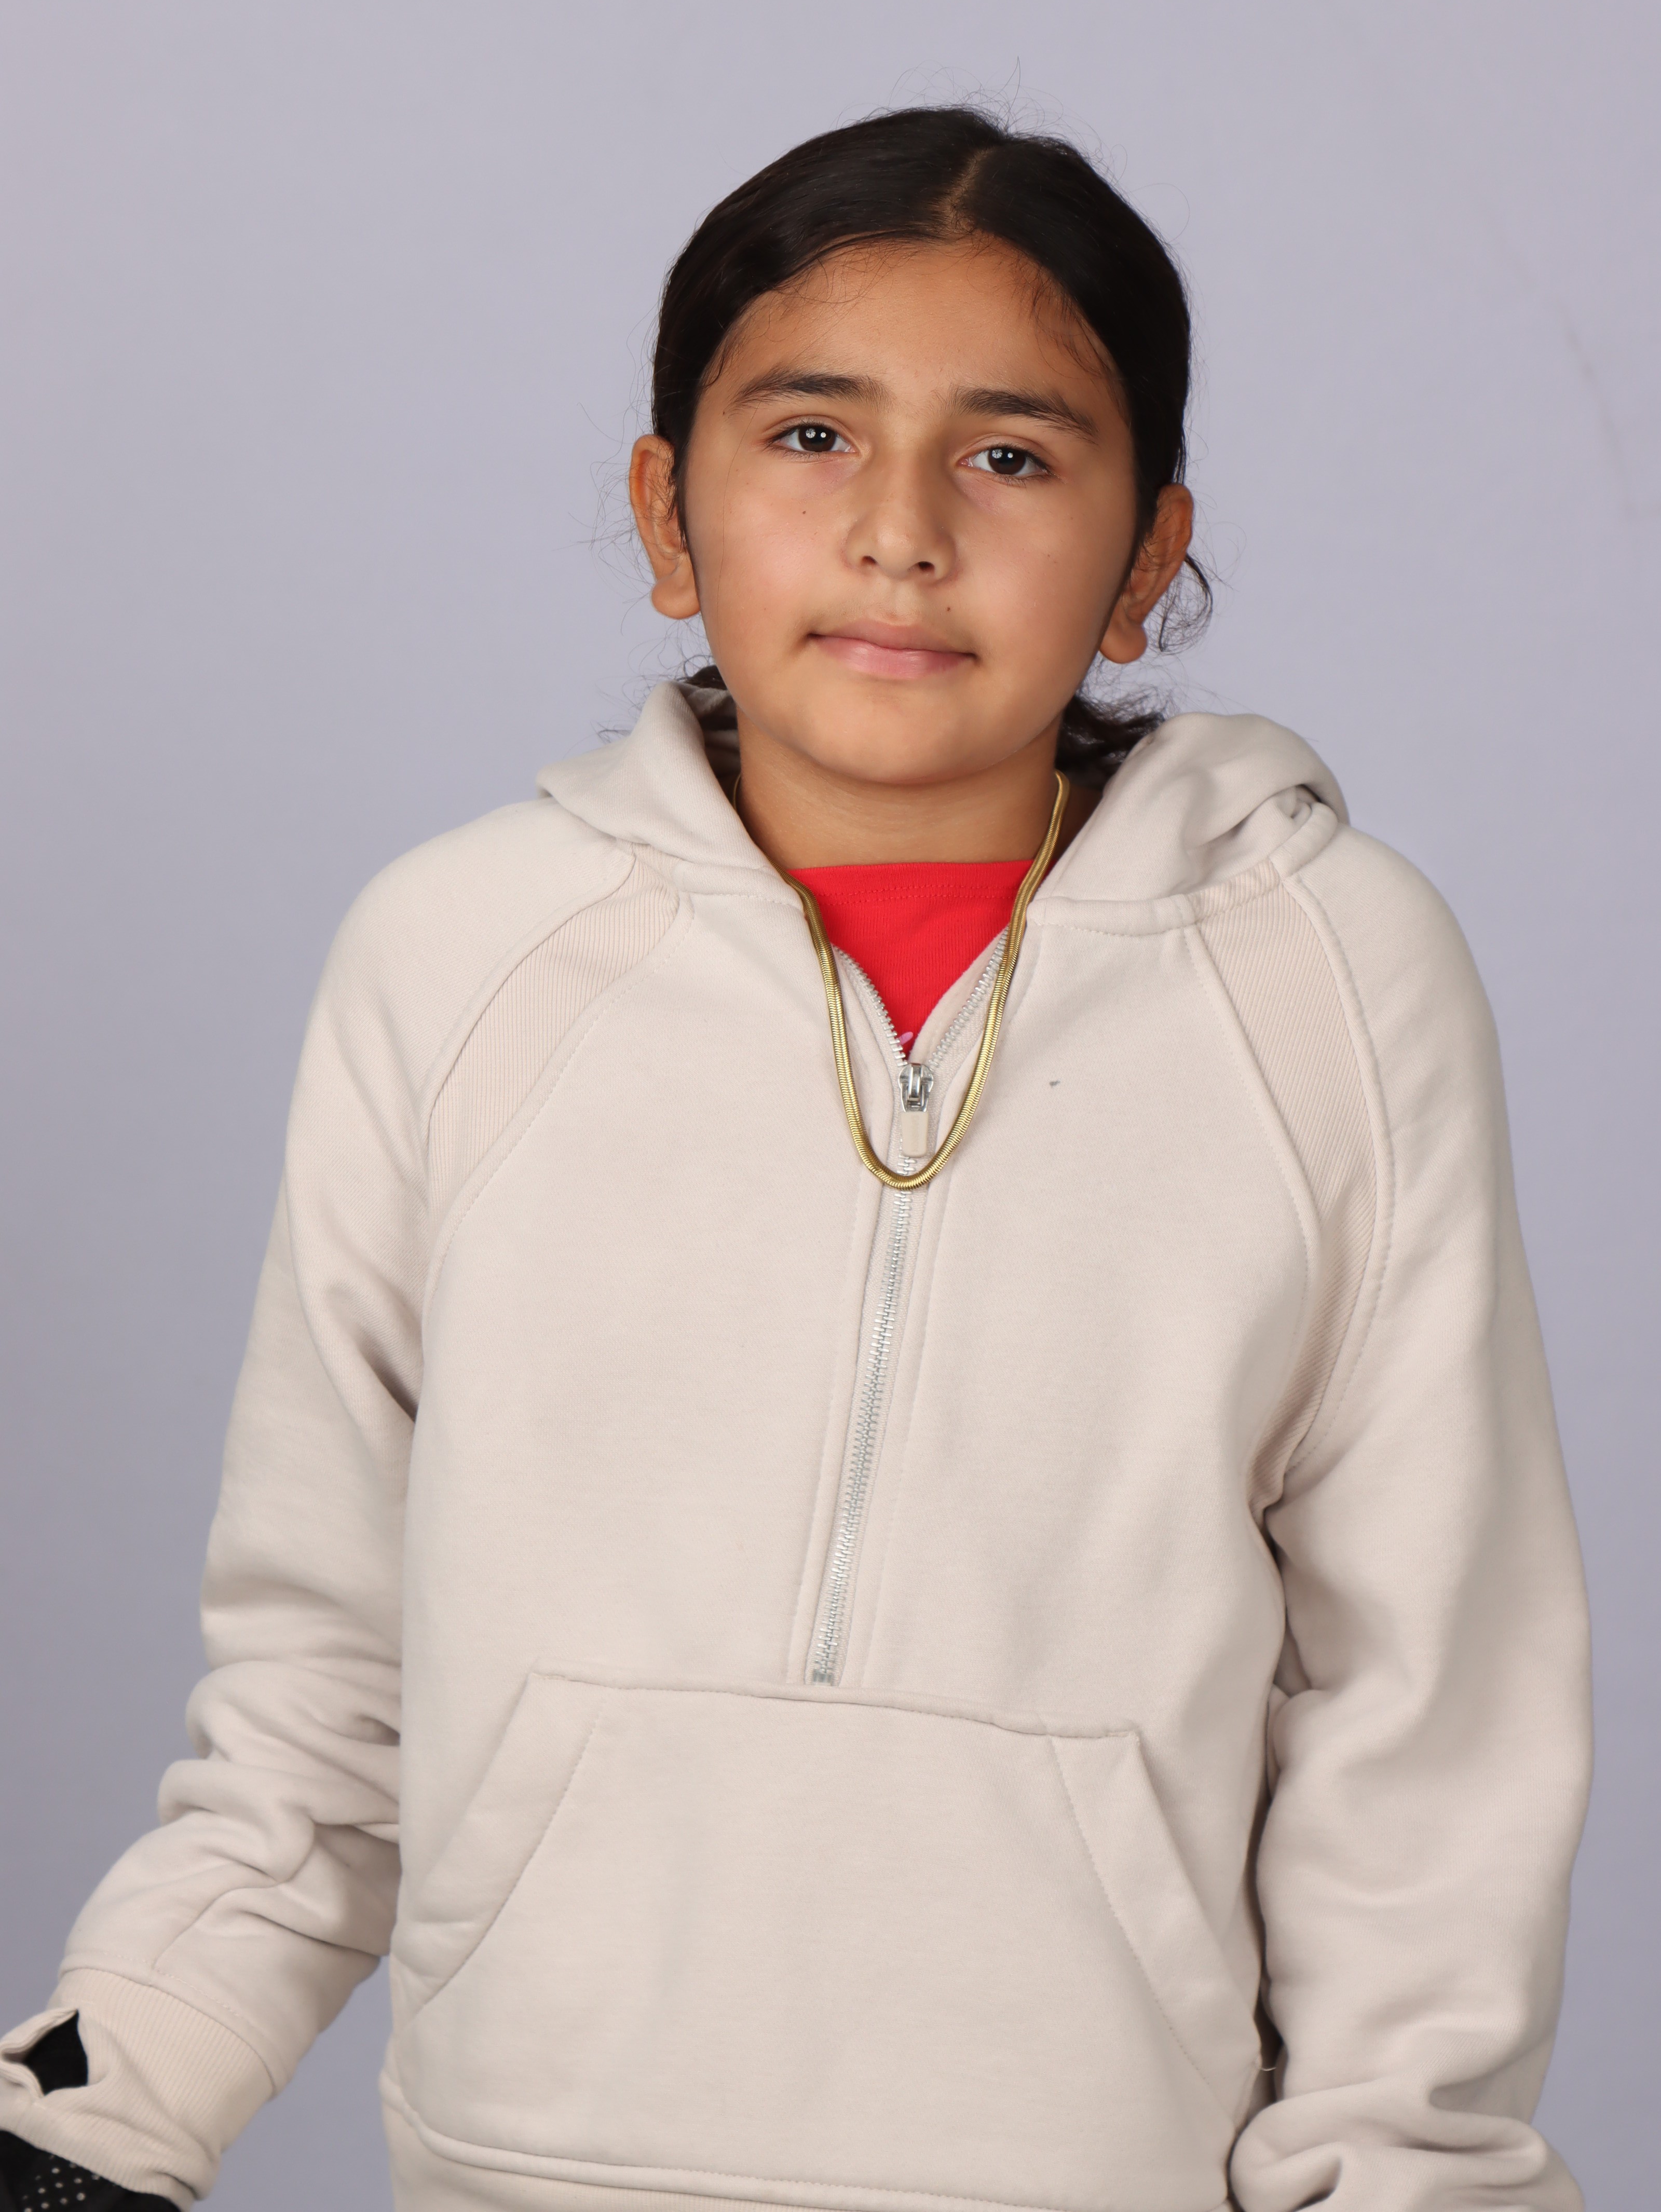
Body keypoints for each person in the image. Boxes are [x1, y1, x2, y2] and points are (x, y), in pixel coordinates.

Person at [0, 106, 1591, 2212]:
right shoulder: (460, 958)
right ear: (667, 517)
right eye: (812, 437)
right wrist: (97, 2103)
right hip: (520, 2166)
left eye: (1009, 455)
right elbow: (319, 1687)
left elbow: (1430, 1710)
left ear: (1147, 560)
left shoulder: (1329, 982)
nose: (901, 533)